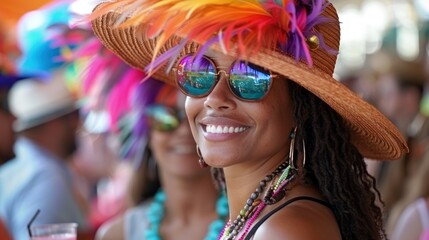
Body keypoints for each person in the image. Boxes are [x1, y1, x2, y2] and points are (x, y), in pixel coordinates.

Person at [90, 0, 408, 239]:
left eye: (250, 77)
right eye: (199, 71)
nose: (215, 98)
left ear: (301, 108)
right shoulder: (266, 216)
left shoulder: (286, 229)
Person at [0, 68, 90, 240]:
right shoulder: (45, 175)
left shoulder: (24, 170)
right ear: (54, 121)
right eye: (74, 115)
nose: (77, 124)